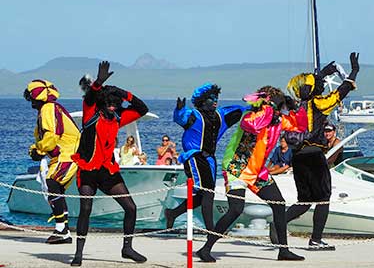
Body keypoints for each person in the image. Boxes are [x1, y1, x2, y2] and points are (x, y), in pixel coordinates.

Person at [196, 86, 306, 262]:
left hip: (257, 171)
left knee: (278, 204)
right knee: (235, 210)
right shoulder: (251, 115)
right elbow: (253, 125)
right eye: (277, 104)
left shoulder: (277, 121)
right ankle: (206, 248)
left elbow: (299, 127)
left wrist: (297, 108)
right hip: (237, 168)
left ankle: (283, 250)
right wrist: (269, 109)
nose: (280, 108)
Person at [70, 61, 149, 266]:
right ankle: (78, 254)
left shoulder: (117, 117)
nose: (112, 107)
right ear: (103, 103)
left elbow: (142, 108)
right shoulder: (90, 114)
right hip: (87, 169)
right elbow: (89, 97)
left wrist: (121, 92)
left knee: (130, 207)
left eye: (115, 104)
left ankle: (127, 248)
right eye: (109, 103)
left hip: (108, 171)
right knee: (85, 209)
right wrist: (98, 82)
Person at [284, 52, 361, 250]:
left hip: (298, 157)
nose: (322, 86)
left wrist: (326, 71)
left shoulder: (297, 106)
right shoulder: (318, 103)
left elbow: (313, 81)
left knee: (305, 200)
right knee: (323, 198)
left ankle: (278, 223)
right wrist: (353, 72)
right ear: (313, 89)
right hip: (313, 155)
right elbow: (340, 93)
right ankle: (316, 240)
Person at [164, 83, 246, 233]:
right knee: (207, 193)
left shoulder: (220, 116)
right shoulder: (194, 116)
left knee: (204, 195)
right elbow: (180, 118)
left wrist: (254, 107)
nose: (215, 101)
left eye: (217, 98)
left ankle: (173, 213)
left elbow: (239, 111)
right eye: (212, 98)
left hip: (210, 160)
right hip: (195, 158)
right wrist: (179, 109)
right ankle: (211, 231)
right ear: (202, 100)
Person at [23, 79, 80, 244]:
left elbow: (51, 135)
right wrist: (37, 148)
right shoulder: (50, 109)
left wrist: (39, 150)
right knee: (57, 190)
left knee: (52, 184)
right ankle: (63, 230)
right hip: (64, 155)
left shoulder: (48, 108)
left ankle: (62, 229)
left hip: (68, 154)